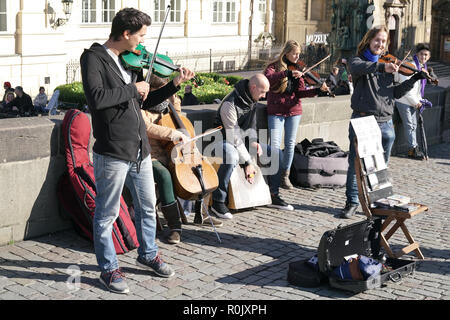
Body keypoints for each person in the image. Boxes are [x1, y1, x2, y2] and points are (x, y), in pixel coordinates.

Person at [80, 7, 194, 294]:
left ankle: (148, 253)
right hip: (113, 151)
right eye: (140, 36)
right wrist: (133, 89)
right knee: (106, 214)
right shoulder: (93, 58)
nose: (143, 42)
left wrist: (173, 85)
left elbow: (142, 101)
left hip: (140, 149)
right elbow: (96, 99)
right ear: (125, 33)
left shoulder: (125, 62)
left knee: (146, 207)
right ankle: (108, 269)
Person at [340, 26, 429, 219]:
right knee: (356, 165)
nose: (380, 44)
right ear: (369, 40)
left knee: (380, 167)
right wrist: (382, 67)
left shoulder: (390, 65)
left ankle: (377, 202)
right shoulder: (359, 60)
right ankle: (352, 202)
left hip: (386, 123)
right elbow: (356, 68)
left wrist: (414, 79)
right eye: (377, 40)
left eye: (383, 41)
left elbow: (395, 93)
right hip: (363, 119)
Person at [141, 75, 223, 245]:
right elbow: (148, 128)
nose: (164, 95)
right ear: (152, 91)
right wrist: (173, 134)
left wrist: (174, 95)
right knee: (164, 175)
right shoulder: (142, 107)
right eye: (161, 91)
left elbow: (179, 117)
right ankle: (175, 226)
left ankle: (201, 212)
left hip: (176, 154)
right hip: (152, 155)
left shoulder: (166, 106)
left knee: (201, 169)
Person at [210, 73, 294, 219]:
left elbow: (252, 125)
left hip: (241, 141)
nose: (264, 96)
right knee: (231, 155)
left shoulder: (250, 98)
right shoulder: (230, 104)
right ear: (253, 87)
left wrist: (254, 141)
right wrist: (248, 162)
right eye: (262, 92)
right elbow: (233, 137)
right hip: (222, 141)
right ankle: (218, 202)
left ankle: (273, 194)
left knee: (275, 153)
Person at [264, 40, 329, 189]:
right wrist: (286, 73)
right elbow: (267, 79)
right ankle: (272, 175)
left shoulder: (299, 69)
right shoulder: (273, 67)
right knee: (274, 144)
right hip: (276, 110)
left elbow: (300, 93)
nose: (297, 56)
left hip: (293, 111)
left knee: (290, 144)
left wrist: (318, 91)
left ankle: (284, 176)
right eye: (294, 53)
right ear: (286, 53)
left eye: (299, 54)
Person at [395, 43, 438, 160]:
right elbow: (406, 88)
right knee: (409, 125)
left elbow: (418, 90)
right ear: (417, 54)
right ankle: (412, 149)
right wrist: (416, 102)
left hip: (413, 101)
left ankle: (413, 147)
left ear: (428, 57)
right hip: (403, 100)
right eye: (421, 54)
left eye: (426, 55)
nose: (423, 57)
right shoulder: (411, 66)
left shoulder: (422, 68)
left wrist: (420, 100)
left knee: (413, 125)